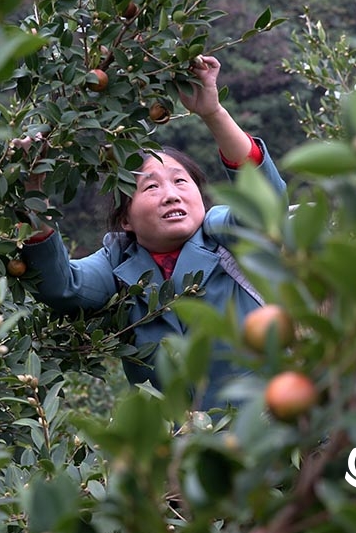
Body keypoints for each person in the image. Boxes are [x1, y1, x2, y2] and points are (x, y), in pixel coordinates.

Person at [20, 55, 287, 412]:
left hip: (270, 429)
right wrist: (32, 190)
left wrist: (212, 112)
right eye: (150, 187)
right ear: (126, 218)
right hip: (183, 454)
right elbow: (62, 286)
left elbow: (264, 202)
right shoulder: (119, 264)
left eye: (180, 181)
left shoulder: (224, 234)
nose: (171, 194)